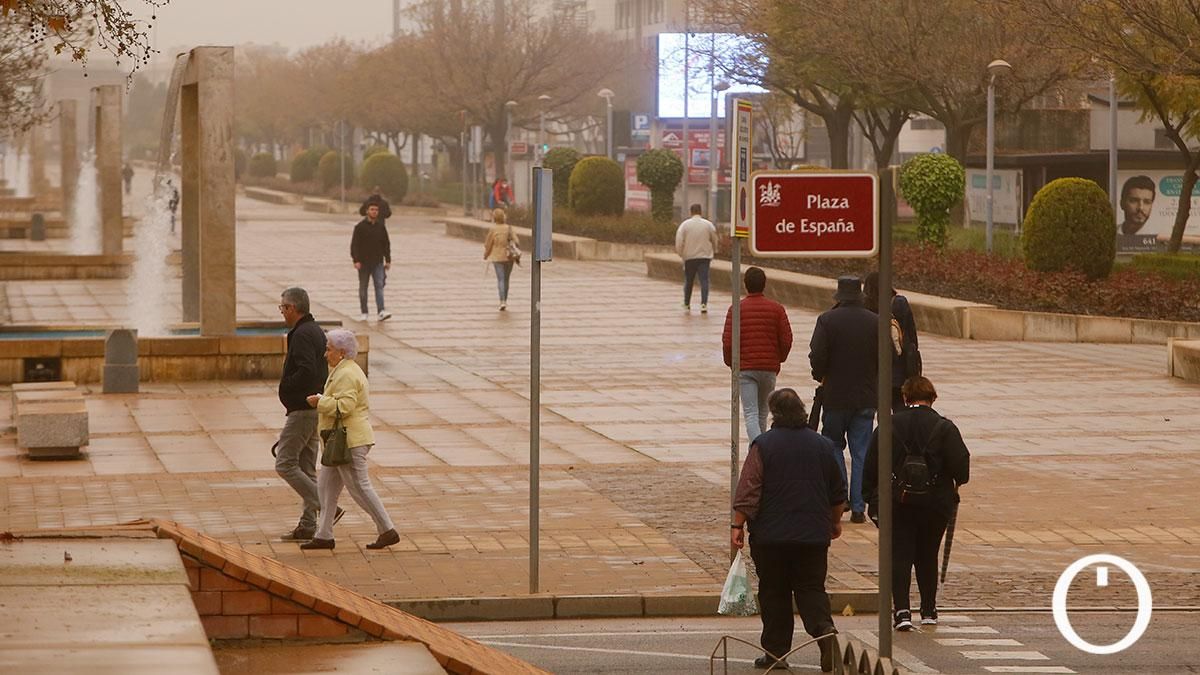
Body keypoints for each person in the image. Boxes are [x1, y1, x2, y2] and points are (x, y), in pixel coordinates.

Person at [732, 388, 845, 672]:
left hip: (771, 538)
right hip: (812, 536)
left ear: (774, 414)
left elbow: (749, 489)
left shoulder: (763, 445)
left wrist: (737, 525)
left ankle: (775, 652)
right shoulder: (823, 446)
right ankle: (824, 631)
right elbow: (837, 493)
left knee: (774, 592)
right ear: (802, 411)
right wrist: (834, 522)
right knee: (811, 589)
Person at [863, 376, 970, 631]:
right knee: (927, 553)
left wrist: (870, 498)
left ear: (905, 397)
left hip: (898, 501)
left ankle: (901, 611)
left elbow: (871, 465)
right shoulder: (945, 428)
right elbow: (962, 471)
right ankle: (929, 608)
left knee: (899, 554)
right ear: (932, 398)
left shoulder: (889, 425)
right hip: (935, 504)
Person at [301, 328, 400, 551]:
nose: (325, 354)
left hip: (349, 440)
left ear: (342, 352)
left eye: (329, 350)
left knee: (360, 487)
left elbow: (344, 407)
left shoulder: (347, 374)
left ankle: (387, 529)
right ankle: (324, 534)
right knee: (326, 487)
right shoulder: (345, 370)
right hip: (341, 440)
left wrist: (320, 401)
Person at [809, 275, 878, 524]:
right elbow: (886, 356)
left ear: (839, 296)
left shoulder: (827, 320)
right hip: (866, 397)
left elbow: (817, 355)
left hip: (835, 396)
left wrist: (821, 375)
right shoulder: (875, 322)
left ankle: (841, 499)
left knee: (833, 445)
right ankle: (859, 506)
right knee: (861, 451)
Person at [275, 287, 339, 541]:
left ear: (292, 308)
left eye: (283, 308)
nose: (282, 313)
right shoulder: (314, 330)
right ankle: (308, 525)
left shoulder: (302, 334)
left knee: (285, 463)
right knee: (306, 467)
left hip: (303, 409)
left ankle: (325, 508)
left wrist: (287, 386)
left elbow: (307, 370)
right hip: (315, 408)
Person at [723, 267, 793, 444]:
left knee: (751, 413)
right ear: (764, 285)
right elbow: (786, 339)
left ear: (745, 285)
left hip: (745, 368)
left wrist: (732, 363)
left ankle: (759, 451)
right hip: (768, 368)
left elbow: (728, 341)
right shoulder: (777, 309)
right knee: (762, 413)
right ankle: (760, 456)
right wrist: (779, 358)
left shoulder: (736, 309)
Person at [864, 271, 920, 412]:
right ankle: (899, 433)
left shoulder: (866, 306)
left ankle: (884, 433)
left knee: (881, 409)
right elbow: (911, 334)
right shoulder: (898, 302)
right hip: (898, 367)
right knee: (899, 404)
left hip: (876, 368)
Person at [350, 203, 392, 322]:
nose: (374, 212)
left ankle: (381, 311)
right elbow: (354, 245)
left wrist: (388, 259)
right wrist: (356, 260)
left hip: (378, 262)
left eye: (376, 210)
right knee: (363, 288)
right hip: (363, 263)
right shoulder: (360, 227)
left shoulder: (381, 227)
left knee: (379, 286)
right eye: (372, 209)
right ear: (367, 211)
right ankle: (364, 312)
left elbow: (386, 244)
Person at [675, 203, 719, 312]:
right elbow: (715, 239)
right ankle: (703, 304)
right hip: (704, 257)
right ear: (701, 211)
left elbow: (679, 241)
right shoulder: (708, 225)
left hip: (689, 257)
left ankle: (686, 303)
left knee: (689, 281)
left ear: (691, 212)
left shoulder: (685, 225)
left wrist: (681, 254)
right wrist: (715, 250)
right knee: (704, 280)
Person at [483, 208, 517, 310]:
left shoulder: (493, 229)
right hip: (509, 257)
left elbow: (488, 244)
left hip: (497, 257)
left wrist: (486, 254)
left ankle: (502, 301)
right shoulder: (508, 228)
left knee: (501, 279)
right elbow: (516, 241)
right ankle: (505, 300)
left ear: (494, 218)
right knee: (506, 280)